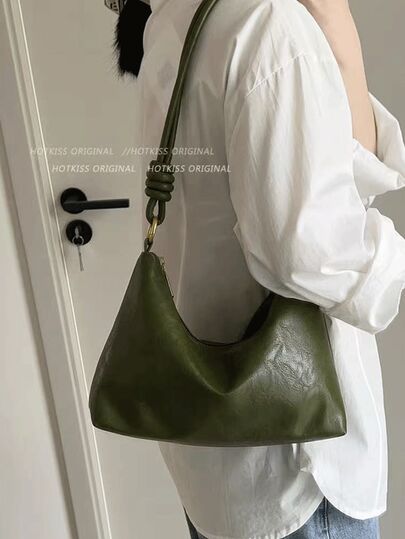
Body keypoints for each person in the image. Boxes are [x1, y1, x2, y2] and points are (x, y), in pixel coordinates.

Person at [124, 0, 405, 537]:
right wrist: (391, 266)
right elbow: (310, 251)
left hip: (215, 457)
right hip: (295, 471)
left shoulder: (173, 18)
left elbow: (338, 175)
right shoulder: (269, 23)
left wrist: (338, 27)